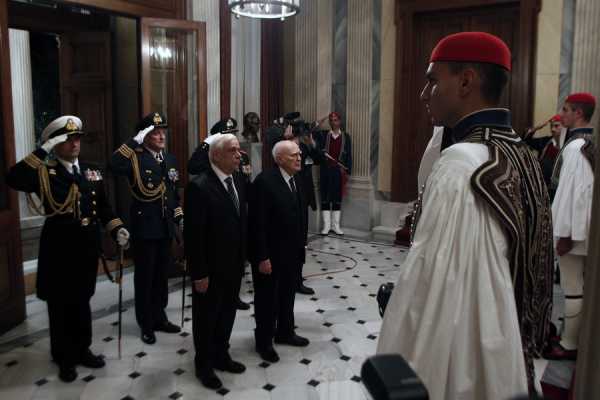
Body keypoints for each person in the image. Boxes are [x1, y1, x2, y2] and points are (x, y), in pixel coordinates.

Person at [376, 32, 554, 400]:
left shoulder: (462, 164)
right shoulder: (521, 153)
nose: (424, 94)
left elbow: (435, 303)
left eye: (432, 80)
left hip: (468, 371)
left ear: (466, 81)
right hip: (513, 358)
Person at [7, 116, 130, 383]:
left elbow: (104, 207)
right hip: (59, 249)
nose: (75, 144)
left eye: (77, 139)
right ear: (55, 143)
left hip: (87, 248)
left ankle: (82, 349)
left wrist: (116, 228)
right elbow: (13, 178)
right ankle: (63, 357)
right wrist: (43, 149)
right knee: (60, 304)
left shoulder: (91, 170)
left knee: (82, 300)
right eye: (67, 139)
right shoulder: (44, 172)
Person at [110, 112, 183, 345]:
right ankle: (146, 323)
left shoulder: (169, 159)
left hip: (165, 226)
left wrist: (178, 215)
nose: (161, 136)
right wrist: (134, 141)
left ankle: (160, 317)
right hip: (145, 227)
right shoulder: (135, 158)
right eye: (155, 133)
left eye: (163, 132)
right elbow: (112, 165)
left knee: (161, 275)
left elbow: (173, 191)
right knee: (145, 277)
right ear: (144, 136)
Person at [185, 133, 248, 390]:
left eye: (239, 150)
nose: (239, 155)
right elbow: (194, 236)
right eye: (233, 150)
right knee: (206, 318)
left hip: (233, 264)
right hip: (210, 269)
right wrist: (199, 273)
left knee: (227, 313)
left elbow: (240, 219)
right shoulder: (199, 186)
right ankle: (204, 365)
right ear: (217, 156)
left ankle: (221, 354)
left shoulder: (238, 179)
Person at [249, 140, 310, 363]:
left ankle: (285, 332)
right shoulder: (264, 182)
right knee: (267, 300)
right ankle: (264, 342)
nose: (299, 158)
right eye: (294, 155)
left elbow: (301, 214)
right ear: (280, 159)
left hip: (292, 253)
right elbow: (257, 223)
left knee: (287, 295)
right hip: (270, 256)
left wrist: (302, 245)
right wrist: (262, 256)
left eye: (299, 154)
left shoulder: (297, 179)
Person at [188, 117, 251, 311]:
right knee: (210, 312)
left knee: (228, 305)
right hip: (214, 253)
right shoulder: (208, 162)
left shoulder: (240, 161)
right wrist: (208, 142)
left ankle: (234, 296)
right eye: (226, 136)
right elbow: (193, 166)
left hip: (235, 225)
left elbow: (246, 184)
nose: (237, 154)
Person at [550, 92, 595, 360]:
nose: (562, 114)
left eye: (566, 109)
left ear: (578, 113)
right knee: (578, 286)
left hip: (574, 230)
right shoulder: (587, 142)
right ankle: (572, 338)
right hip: (582, 228)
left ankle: (569, 344)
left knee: (572, 287)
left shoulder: (576, 147)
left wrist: (565, 234)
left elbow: (575, 194)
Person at [314, 112, 352, 235]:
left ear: (339, 121)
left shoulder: (346, 137)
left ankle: (336, 226)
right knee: (325, 198)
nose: (333, 122)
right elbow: (311, 132)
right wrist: (318, 122)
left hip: (338, 171)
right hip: (325, 170)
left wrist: (348, 170)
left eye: (335, 120)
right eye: (331, 120)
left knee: (336, 198)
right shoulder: (324, 135)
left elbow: (349, 155)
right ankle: (326, 226)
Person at [524, 114, 565, 197]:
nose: (552, 129)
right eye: (551, 126)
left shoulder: (568, 145)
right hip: (544, 189)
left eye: (556, 126)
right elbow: (526, 141)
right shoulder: (546, 142)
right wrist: (536, 128)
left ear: (564, 127)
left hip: (560, 189)